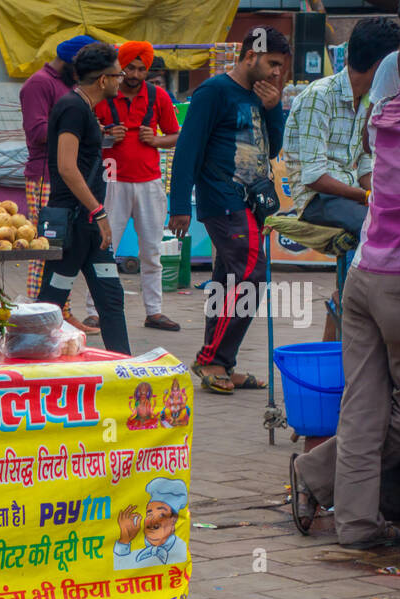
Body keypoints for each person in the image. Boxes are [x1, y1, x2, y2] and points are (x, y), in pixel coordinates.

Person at [291, 25, 400, 548]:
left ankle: (358, 525)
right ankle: (317, 474)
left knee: (362, 405)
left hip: (363, 277)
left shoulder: (381, 115)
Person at [169, 26, 290, 395]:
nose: (276, 74)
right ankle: (211, 359)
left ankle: (223, 363)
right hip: (223, 200)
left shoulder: (263, 96)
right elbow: (187, 149)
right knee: (253, 275)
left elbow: (272, 150)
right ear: (250, 56)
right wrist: (179, 205)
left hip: (252, 201)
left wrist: (274, 109)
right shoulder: (212, 92)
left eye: (282, 67)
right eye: (272, 63)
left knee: (228, 282)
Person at [35, 42, 130, 354]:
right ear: (103, 80)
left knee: (111, 298)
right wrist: (99, 213)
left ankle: (123, 366)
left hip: (88, 225)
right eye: (119, 74)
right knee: (51, 303)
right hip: (74, 224)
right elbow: (66, 165)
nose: (122, 78)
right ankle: (29, 366)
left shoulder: (83, 108)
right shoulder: (73, 108)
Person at [83, 40, 181, 333]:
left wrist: (157, 140)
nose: (136, 74)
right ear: (119, 69)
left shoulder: (158, 96)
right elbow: (86, 136)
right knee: (104, 248)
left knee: (151, 250)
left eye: (141, 69)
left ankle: (155, 311)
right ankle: (94, 311)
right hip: (111, 181)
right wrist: (104, 133)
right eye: (130, 68)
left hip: (149, 182)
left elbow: (176, 135)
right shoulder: (101, 96)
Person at [283, 17, 400, 241]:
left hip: (350, 195)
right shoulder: (319, 96)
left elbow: (365, 168)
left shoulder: (369, 100)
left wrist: (379, 195)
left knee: (399, 218)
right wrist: (367, 196)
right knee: (378, 228)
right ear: (380, 66)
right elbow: (314, 177)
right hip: (317, 200)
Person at [21, 34, 91, 320]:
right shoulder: (38, 83)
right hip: (44, 176)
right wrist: (75, 128)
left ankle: (60, 311)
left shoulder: (67, 85)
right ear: (69, 63)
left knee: (62, 247)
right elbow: (37, 133)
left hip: (66, 173)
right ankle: (37, 313)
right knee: (44, 247)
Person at [113, 478, 188, 570]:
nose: (152, 522)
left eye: (161, 515)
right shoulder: (137, 549)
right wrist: (124, 540)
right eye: (149, 513)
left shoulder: (180, 550)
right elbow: (118, 574)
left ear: (174, 520)